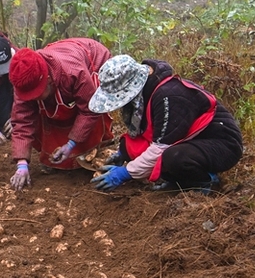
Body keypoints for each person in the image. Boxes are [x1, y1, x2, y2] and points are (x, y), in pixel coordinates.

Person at [87, 54, 243, 194]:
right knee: (130, 147)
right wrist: (123, 153)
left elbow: (160, 149)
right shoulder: (147, 90)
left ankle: (203, 181)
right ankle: (178, 180)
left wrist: (125, 173)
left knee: (173, 158)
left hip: (222, 144)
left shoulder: (169, 96)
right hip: (190, 139)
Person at [6, 38, 114, 191]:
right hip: (64, 58)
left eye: (37, 94)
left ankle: (98, 147)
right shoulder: (24, 81)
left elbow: (90, 110)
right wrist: (21, 164)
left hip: (93, 60)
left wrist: (72, 143)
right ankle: (55, 157)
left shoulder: (74, 72)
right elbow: (22, 121)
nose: (33, 98)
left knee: (93, 103)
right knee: (41, 110)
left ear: (48, 80)